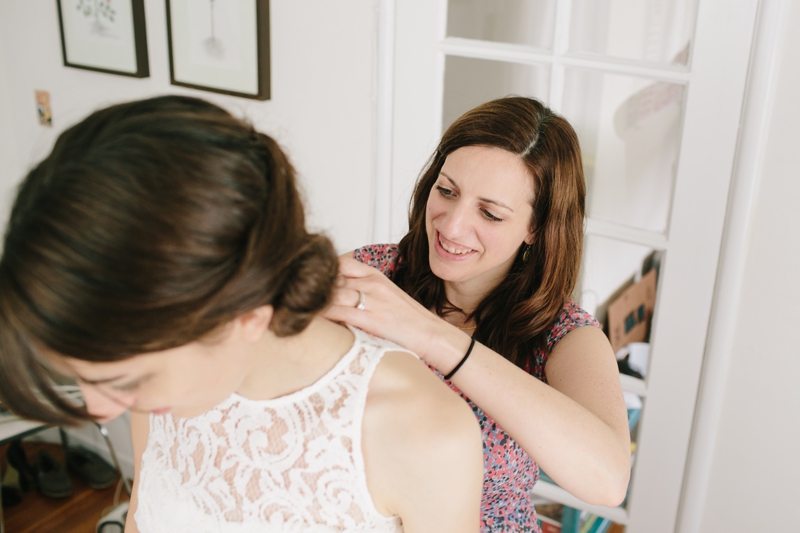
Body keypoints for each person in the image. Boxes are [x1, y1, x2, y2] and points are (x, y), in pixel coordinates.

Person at [0, 96, 483, 533]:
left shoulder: (424, 434)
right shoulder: (161, 383)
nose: (101, 408)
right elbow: (140, 516)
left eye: (122, 379)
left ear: (246, 315)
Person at [324, 96, 632, 532]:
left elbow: (608, 480)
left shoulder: (563, 337)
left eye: (489, 212)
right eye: (446, 191)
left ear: (535, 228)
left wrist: (432, 336)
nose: (450, 226)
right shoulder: (373, 274)